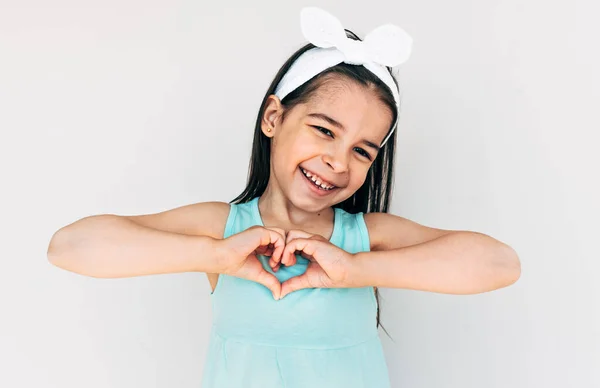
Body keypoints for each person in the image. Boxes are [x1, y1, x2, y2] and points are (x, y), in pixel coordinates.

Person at [47, 7, 521, 388]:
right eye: (323, 130)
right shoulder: (223, 229)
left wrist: (356, 270)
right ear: (273, 118)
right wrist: (217, 255)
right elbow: (71, 247)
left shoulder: (366, 239)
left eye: (361, 150)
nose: (338, 161)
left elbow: (499, 263)